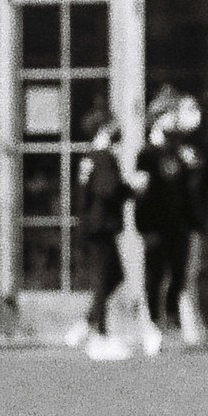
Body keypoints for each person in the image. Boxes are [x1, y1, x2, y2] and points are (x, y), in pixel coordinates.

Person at [133, 91, 202, 357]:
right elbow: (142, 194)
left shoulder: (180, 152)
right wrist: (143, 227)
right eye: (168, 115)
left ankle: (171, 320)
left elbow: (187, 190)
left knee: (179, 275)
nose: (174, 121)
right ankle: (151, 326)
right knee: (154, 276)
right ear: (157, 120)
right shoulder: (147, 155)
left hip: (178, 225)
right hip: (155, 226)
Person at [70, 122, 135, 357]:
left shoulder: (89, 158)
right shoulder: (104, 158)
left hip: (91, 224)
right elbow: (108, 189)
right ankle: (99, 334)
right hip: (102, 226)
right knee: (104, 278)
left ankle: (89, 324)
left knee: (114, 275)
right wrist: (131, 188)